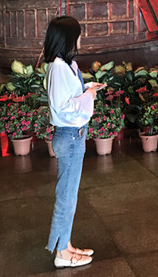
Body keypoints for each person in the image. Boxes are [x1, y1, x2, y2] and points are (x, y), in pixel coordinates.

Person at [44, 16, 105, 268]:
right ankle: (61, 253)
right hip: (69, 136)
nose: (80, 39)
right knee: (66, 197)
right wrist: (88, 95)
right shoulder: (58, 67)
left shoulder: (66, 65)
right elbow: (62, 106)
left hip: (74, 135)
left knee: (69, 196)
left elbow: (67, 96)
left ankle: (66, 245)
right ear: (68, 39)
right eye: (78, 35)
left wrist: (87, 87)